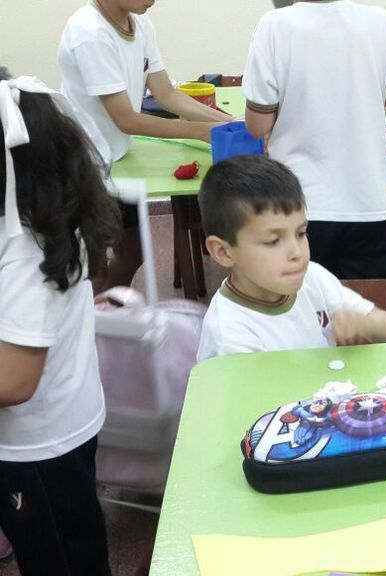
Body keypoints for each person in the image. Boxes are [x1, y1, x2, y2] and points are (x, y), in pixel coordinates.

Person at [0, 69, 121, 576]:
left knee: (62, 556)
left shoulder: (27, 255)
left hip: (36, 446)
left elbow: (14, 381)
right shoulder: (37, 218)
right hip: (60, 421)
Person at [58, 0, 232, 292]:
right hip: (83, 165)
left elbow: (166, 95)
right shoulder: (90, 33)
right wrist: (202, 132)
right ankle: (91, 316)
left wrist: (229, 122)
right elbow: (126, 119)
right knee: (93, 266)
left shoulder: (140, 24)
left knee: (131, 254)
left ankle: (106, 313)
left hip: (114, 160)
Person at [243, 0, 386, 280]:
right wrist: (365, 87)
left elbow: (258, 125)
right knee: (367, 304)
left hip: (297, 205)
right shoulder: (382, 22)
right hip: (370, 202)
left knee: (300, 302)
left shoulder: (273, 26)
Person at [196, 155, 386, 361]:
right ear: (223, 252)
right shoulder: (229, 334)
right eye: (273, 241)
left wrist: (366, 325)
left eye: (301, 234)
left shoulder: (311, 277)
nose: (297, 253)